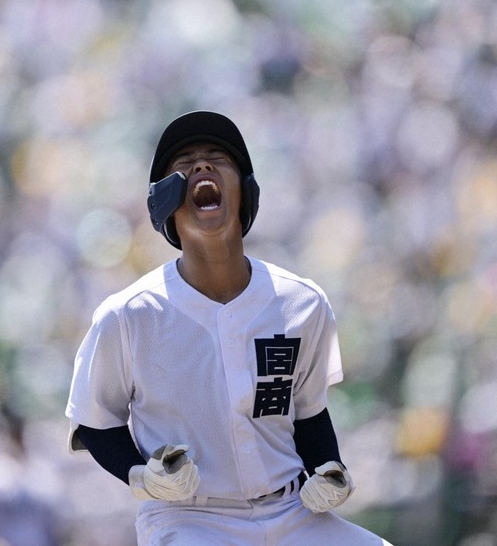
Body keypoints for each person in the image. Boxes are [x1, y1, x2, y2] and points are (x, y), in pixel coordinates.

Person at [65, 111, 391, 545]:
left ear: (246, 191)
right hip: (190, 520)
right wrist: (141, 476)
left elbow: (308, 412)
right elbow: (95, 422)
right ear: (163, 200)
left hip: (291, 511)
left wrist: (328, 469)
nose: (202, 166)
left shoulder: (302, 303)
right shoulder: (128, 315)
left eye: (218, 157)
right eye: (184, 163)